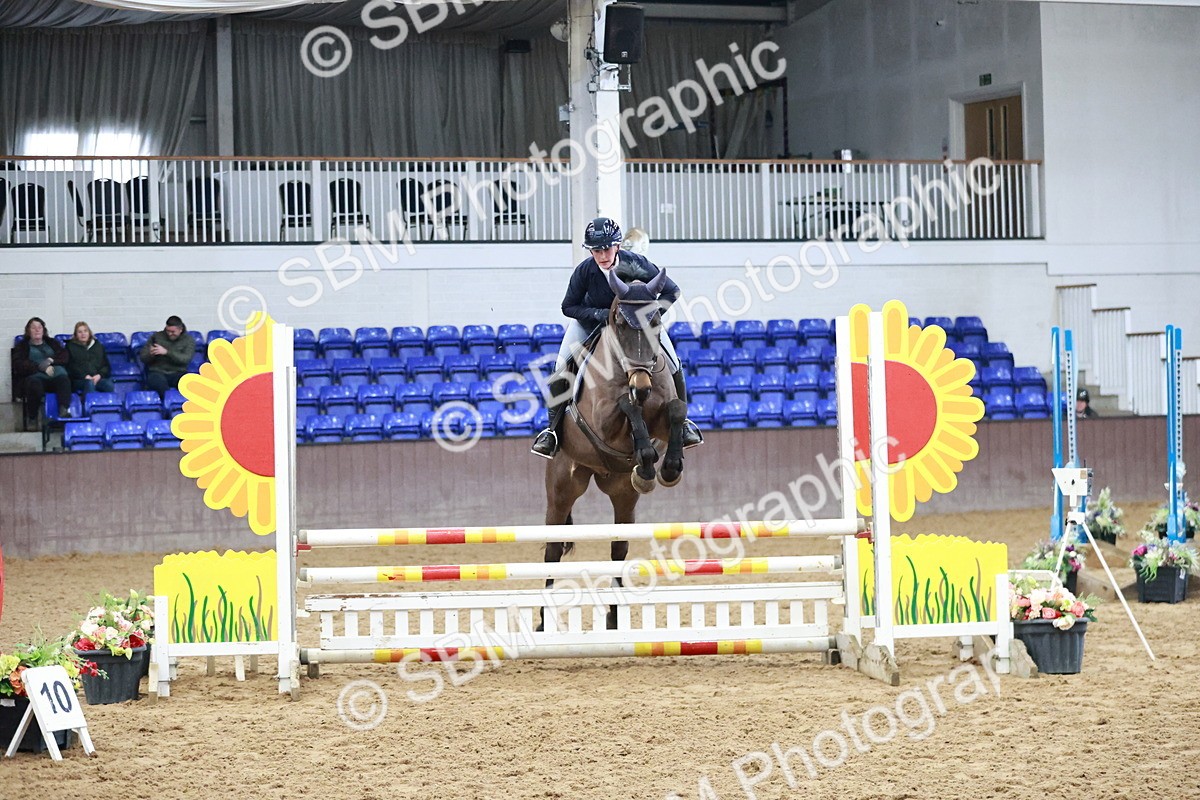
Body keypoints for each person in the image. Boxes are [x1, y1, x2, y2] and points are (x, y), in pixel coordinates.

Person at [531, 217, 702, 458]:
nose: (602, 255)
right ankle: (552, 432)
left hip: (637, 327)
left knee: (673, 361)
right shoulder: (585, 271)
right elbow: (568, 307)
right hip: (592, 323)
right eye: (596, 250)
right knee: (561, 366)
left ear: (618, 246)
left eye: (607, 249)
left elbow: (672, 291)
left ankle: (683, 424)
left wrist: (649, 316)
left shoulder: (638, 264)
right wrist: (598, 314)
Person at [12, 317, 72, 430]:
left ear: (43, 330)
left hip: (54, 377)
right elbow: (19, 364)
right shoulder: (22, 346)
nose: (37, 330)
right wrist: (41, 367)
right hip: (34, 378)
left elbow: (64, 356)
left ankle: (64, 410)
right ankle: (33, 418)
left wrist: (50, 361)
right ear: (28, 331)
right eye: (33, 328)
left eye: (39, 327)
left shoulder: (52, 343)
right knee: (34, 384)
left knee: (64, 379)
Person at [140, 315, 196, 396]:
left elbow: (185, 359)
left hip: (178, 372)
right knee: (159, 386)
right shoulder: (156, 337)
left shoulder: (188, 340)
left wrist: (167, 352)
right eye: (168, 331)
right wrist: (150, 354)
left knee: (190, 385)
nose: (170, 334)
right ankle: (167, 405)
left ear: (180, 330)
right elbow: (143, 358)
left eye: (173, 332)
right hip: (158, 372)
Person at [65, 321, 115, 396]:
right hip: (79, 380)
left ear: (89, 332)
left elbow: (106, 365)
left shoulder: (98, 346)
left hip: (96, 378)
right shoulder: (70, 347)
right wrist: (84, 376)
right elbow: (70, 367)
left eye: (85, 331)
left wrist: (99, 375)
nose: (83, 334)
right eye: (80, 332)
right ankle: (88, 406)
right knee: (89, 384)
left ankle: (108, 406)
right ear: (76, 335)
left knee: (109, 385)